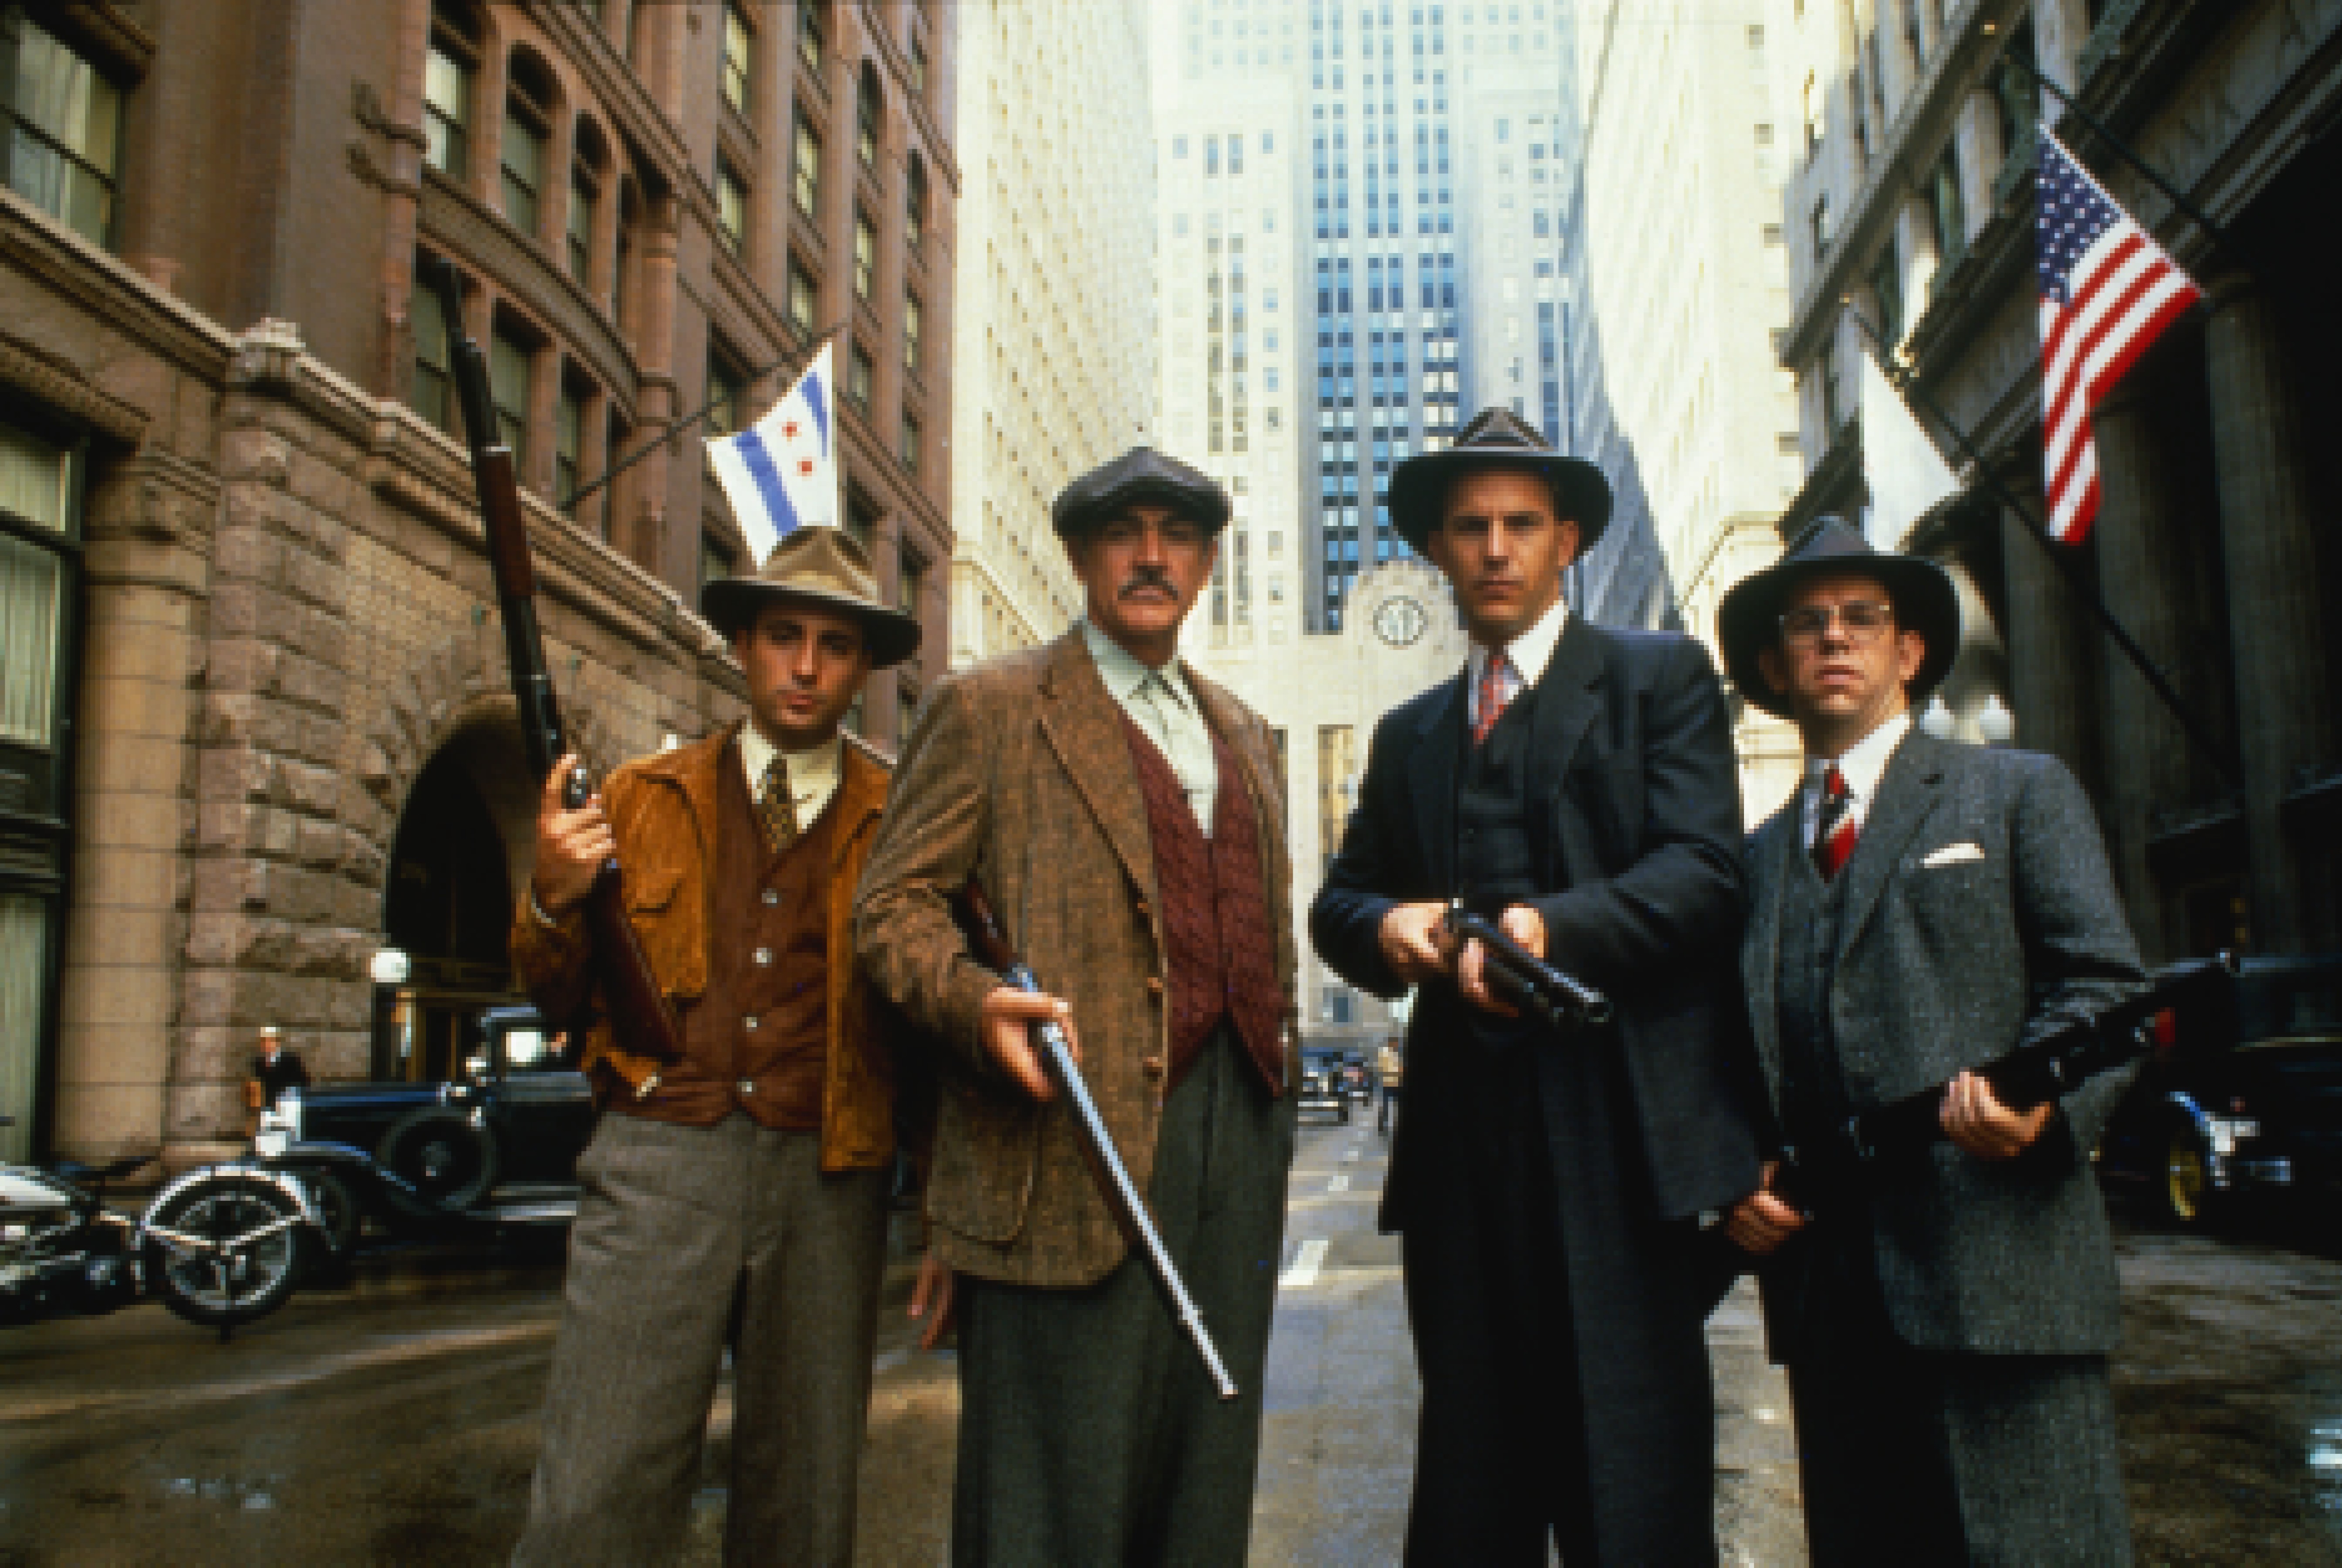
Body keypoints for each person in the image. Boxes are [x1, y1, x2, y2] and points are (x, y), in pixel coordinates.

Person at [1311, 408, 1766, 1563]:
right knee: (1473, 1482)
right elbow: (1338, 904)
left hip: (1620, 1134)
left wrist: (1544, 928)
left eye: (1522, 524)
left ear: (1567, 539)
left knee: (1634, 1481)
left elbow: (1707, 871)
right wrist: (1394, 924)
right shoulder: (1411, 735)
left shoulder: (1659, 677)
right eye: (1470, 528)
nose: (1497, 549)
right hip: (1464, 1149)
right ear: (1438, 550)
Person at [853, 448, 1298, 1566]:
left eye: (1178, 535)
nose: (1152, 555)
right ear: (1081, 554)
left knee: (1202, 1493)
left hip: (1234, 1148)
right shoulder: (990, 707)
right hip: (1065, 1144)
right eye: (1123, 532)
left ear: (1205, 563)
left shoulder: (1247, 731)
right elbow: (892, 909)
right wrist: (973, 1003)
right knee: (1051, 1507)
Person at [1715, 518, 2143, 1565]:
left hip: (2002, 1285)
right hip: (1832, 1308)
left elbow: (2102, 989)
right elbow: (1732, 1062)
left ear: (1909, 651)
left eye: (1863, 618)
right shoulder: (1752, 864)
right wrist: (1733, 1175)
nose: (1834, 638)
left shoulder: (2016, 793)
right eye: (1806, 623)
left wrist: (2045, 1109)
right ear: (1774, 662)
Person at [509, 526, 923, 1568]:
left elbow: (929, 1027)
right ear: (741, 645)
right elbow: (557, 995)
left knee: (802, 1503)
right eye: (783, 635)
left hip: (831, 1176)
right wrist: (554, 898)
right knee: (594, 1497)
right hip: (658, 1162)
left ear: (863, 667)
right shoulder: (643, 797)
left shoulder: (905, 819)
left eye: (835, 644)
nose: (806, 665)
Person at [245, 1024, 309, 1133]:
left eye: (270, 1041)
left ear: (277, 1042)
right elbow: (255, 1087)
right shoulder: (258, 1063)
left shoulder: (291, 1061)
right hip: (268, 1111)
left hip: (288, 1109)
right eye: (264, 1042)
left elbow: (303, 1085)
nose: (267, 1045)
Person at [1375, 1037, 1404, 1135]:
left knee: (1390, 1105)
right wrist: (1397, 1071)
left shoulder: (1396, 1054)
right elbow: (1384, 1069)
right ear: (1391, 1044)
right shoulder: (1385, 1055)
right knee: (1386, 1106)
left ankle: (1385, 1125)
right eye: (1395, 1044)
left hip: (1396, 1083)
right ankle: (1382, 1126)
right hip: (1388, 1083)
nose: (1396, 1045)